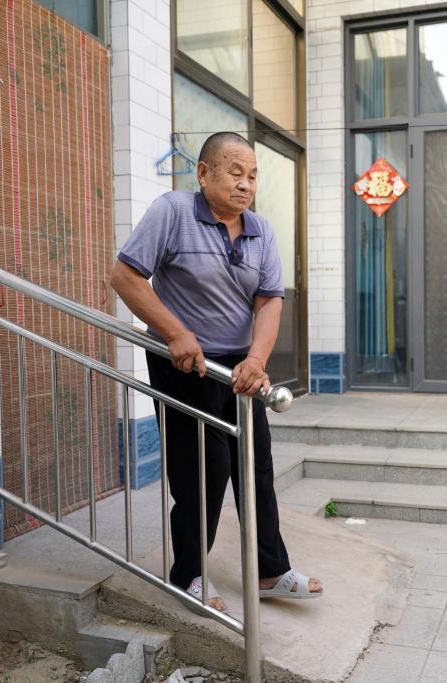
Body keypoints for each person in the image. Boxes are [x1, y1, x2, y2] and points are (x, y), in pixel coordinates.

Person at [108, 132, 322, 611]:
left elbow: (269, 301)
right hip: (186, 365)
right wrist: (174, 332)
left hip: (241, 368)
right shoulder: (173, 211)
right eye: (235, 172)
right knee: (202, 472)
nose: (245, 184)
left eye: (253, 176)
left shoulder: (261, 230)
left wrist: (257, 360)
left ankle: (270, 571)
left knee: (255, 466)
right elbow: (125, 276)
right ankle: (187, 574)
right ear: (203, 173)